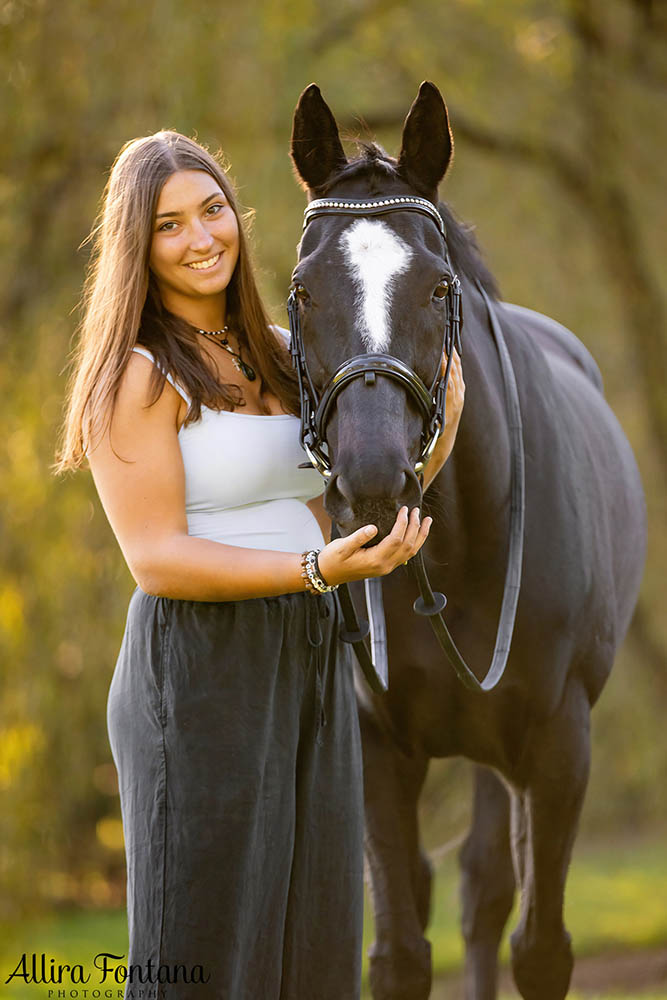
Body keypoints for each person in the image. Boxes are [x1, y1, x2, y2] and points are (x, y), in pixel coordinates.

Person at [55, 130, 465, 1000]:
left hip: (309, 655)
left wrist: (441, 430)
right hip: (199, 668)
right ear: (139, 245)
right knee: (202, 955)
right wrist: (316, 570)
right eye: (169, 225)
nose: (202, 237)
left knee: (312, 943)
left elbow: (345, 501)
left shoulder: (282, 353)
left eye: (212, 210)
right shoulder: (137, 376)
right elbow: (156, 559)